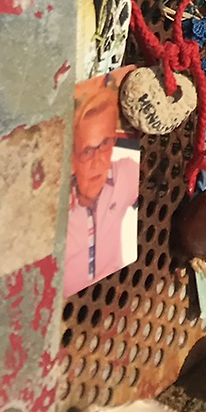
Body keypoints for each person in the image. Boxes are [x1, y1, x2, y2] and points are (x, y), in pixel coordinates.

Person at [65, 78, 140, 292]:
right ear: (71, 158)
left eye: (105, 144)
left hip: (116, 288)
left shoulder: (124, 173)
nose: (98, 162)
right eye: (88, 151)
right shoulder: (53, 206)